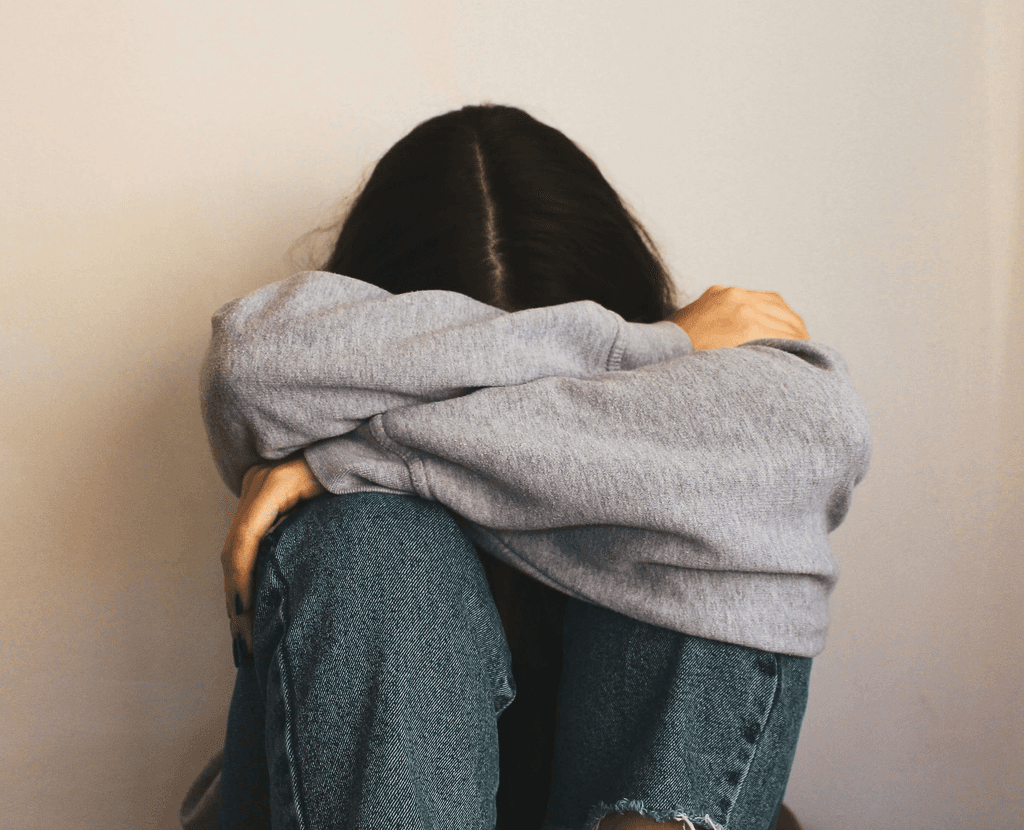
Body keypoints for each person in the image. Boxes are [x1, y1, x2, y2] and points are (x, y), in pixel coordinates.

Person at [197, 104, 871, 830]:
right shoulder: (655, 357)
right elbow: (249, 366)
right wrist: (650, 349)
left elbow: (818, 427)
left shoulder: (349, 439)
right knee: (364, 537)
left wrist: (356, 449)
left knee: (710, 507)